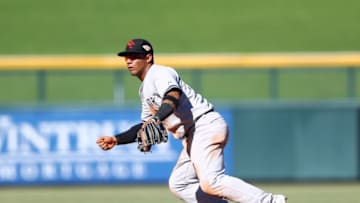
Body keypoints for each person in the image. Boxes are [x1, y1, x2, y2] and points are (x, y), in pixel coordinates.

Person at [96, 38, 287, 203]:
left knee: (211, 181)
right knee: (179, 184)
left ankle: (269, 201)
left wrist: (156, 118)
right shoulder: (144, 90)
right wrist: (117, 139)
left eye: (135, 56)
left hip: (204, 125)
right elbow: (146, 125)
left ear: (148, 57)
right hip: (193, 136)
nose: (129, 60)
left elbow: (173, 94)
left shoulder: (160, 72)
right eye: (126, 57)